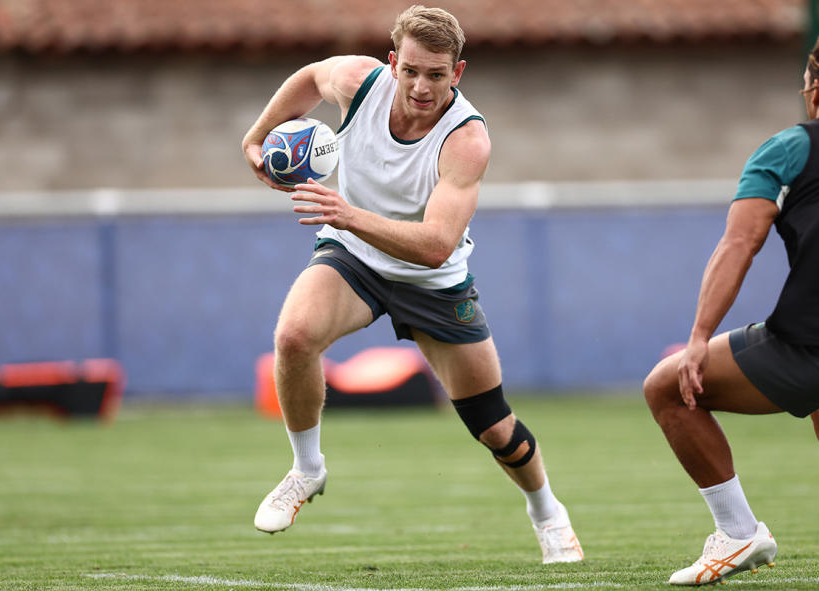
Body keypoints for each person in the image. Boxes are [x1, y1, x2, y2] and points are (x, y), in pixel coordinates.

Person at [240, 5, 583, 565]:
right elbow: (308, 78)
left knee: (494, 427)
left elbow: (436, 245)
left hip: (434, 283)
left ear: (458, 73)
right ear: (393, 63)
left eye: (437, 75)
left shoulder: (466, 140)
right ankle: (307, 471)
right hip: (354, 260)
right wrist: (255, 140)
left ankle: (546, 510)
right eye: (412, 71)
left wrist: (347, 213)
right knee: (295, 337)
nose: (422, 87)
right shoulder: (358, 82)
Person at [642, 4, 819, 585]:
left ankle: (738, 533)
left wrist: (699, 339)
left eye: (806, 76)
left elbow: (738, 245)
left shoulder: (789, 147)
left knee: (666, 389)